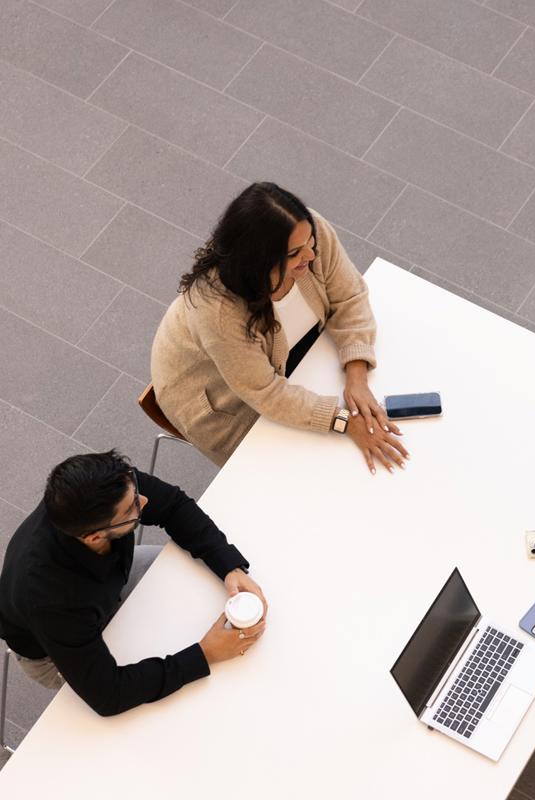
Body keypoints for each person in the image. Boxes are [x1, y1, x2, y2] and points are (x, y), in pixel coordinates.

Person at [150, 181, 408, 474]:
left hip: (285, 361)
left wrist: (357, 376)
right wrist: (344, 421)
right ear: (259, 262)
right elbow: (266, 393)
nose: (311, 255)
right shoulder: (218, 313)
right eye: (295, 253)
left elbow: (349, 296)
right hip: (225, 404)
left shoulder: (306, 233)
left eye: (310, 243)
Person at [0, 451, 267, 717]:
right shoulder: (51, 597)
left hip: (112, 582)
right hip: (56, 645)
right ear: (94, 538)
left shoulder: (107, 488)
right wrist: (205, 654)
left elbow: (172, 505)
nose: (144, 500)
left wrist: (229, 566)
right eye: (132, 509)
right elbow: (109, 695)